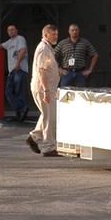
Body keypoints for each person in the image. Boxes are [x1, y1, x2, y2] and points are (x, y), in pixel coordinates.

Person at [27, 24, 63, 157]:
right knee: (50, 117)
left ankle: (35, 137)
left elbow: (47, 67)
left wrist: (58, 71)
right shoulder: (43, 49)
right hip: (44, 89)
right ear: (46, 35)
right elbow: (41, 70)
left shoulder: (48, 48)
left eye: (57, 34)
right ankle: (48, 147)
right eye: (53, 34)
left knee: (47, 115)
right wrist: (46, 90)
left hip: (48, 88)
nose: (56, 37)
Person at [0, 23, 29, 122]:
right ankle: (22, 108)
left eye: (13, 29)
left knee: (19, 92)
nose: (11, 31)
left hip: (19, 69)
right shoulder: (9, 42)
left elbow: (23, 50)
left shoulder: (20, 39)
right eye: (9, 30)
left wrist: (17, 63)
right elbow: (1, 46)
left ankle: (20, 113)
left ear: (16, 31)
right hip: (11, 71)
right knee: (9, 92)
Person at [55, 23, 98, 87]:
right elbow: (53, 55)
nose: (74, 32)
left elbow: (95, 55)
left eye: (76, 30)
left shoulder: (85, 42)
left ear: (79, 31)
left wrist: (90, 70)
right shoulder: (62, 43)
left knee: (81, 94)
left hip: (80, 73)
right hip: (67, 73)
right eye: (72, 30)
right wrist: (59, 68)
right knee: (65, 93)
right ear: (69, 31)